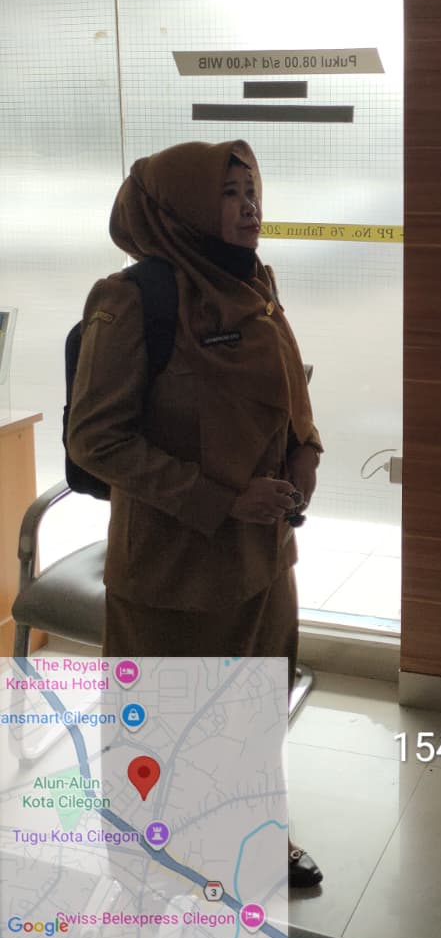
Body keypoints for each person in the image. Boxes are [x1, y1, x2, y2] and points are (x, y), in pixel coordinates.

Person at [68, 139, 325, 888]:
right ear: (179, 208)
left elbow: (290, 397)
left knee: (253, 715)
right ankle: (148, 862)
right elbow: (96, 439)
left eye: (252, 190)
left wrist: (306, 455)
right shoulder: (130, 301)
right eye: (227, 193)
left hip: (262, 560)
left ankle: (253, 833)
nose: (249, 207)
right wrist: (223, 499)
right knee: (161, 730)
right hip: (173, 570)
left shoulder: (253, 286)